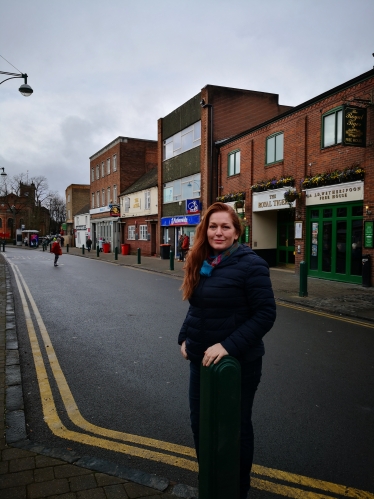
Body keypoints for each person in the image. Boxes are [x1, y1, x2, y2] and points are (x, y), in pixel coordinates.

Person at [178, 202, 276, 499]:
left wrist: (227, 346)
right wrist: (184, 337)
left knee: (235, 430)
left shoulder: (252, 264)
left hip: (238, 366)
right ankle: (211, 483)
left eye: (225, 227)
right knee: (201, 425)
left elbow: (265, 314)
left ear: (237, 232)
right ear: (205, 229)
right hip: (202, 363)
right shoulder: (203, 259)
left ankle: (236, 490)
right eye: (213, 226)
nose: (218, 232)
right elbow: (198, 307)